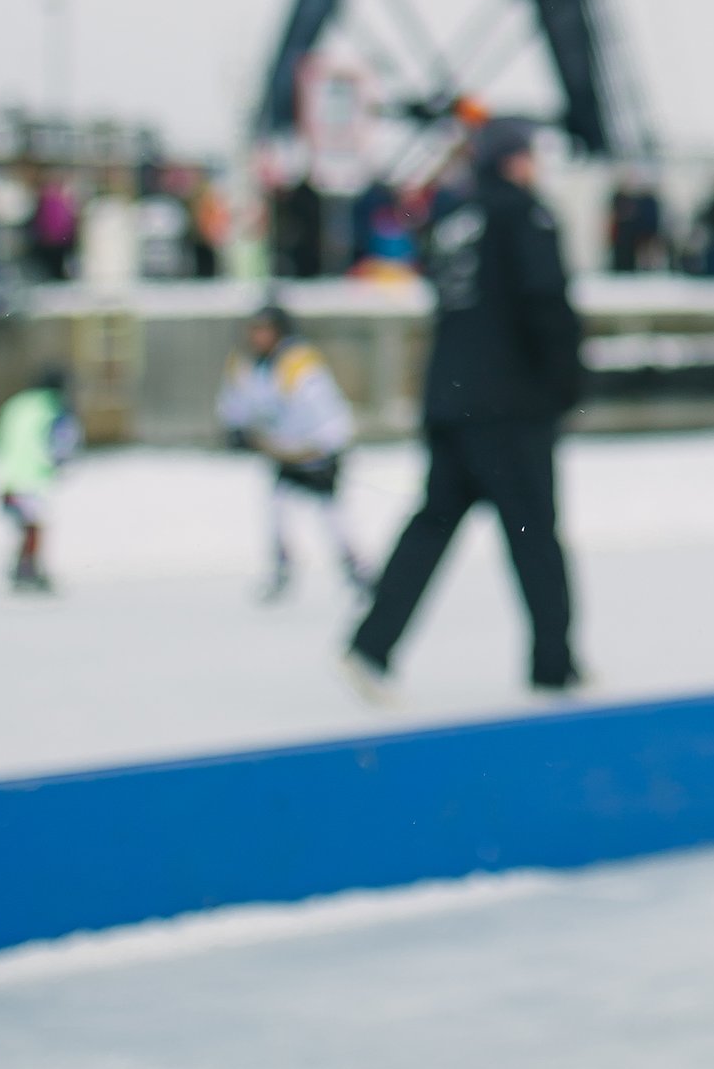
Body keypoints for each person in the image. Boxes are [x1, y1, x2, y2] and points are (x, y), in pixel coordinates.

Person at [346, 116, 584, 698]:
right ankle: (555, 664)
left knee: (433, 523)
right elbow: (543, 301)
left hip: (451, 400)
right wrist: (567, 382)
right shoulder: (522, 213)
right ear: (515, 160)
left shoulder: (455, 216)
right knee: (533, 532)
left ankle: (371, 645)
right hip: (509, 404)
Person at [217, 301, 368, 602]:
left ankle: (355, 569)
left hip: (314, 454)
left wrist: (329, 447)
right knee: (277, 508)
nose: (258, 336)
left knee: (330, 513)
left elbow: (327, 409)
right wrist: (234, 428)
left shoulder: (299, 364)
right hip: (284, 454)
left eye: (265, 330)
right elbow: (237, 402)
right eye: (255, 330)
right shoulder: (249, 365)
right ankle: (282, 568)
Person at [0, 366, 81, 590]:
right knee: (35, 526)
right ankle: (27, 570)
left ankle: (23, 567)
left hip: (4, 475)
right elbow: (60, 441)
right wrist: (58, 464)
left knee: (27, 525)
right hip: (29, 478)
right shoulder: (52, 407)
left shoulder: (17, 404)